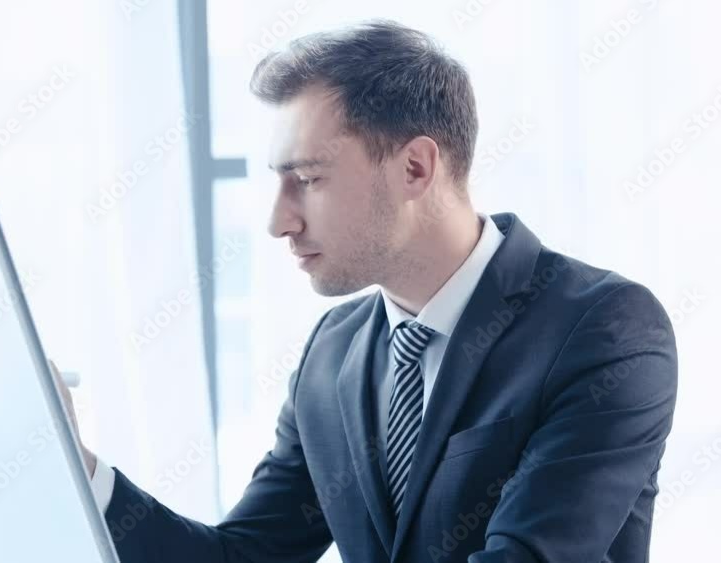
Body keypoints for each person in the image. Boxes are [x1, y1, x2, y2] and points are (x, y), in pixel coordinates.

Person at [57, 19, 678, 563]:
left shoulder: (604, 330)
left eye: (308, 179)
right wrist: (78, 465)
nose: (278, 221)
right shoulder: (332, 350)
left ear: (415, 168)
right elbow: (243, 556)